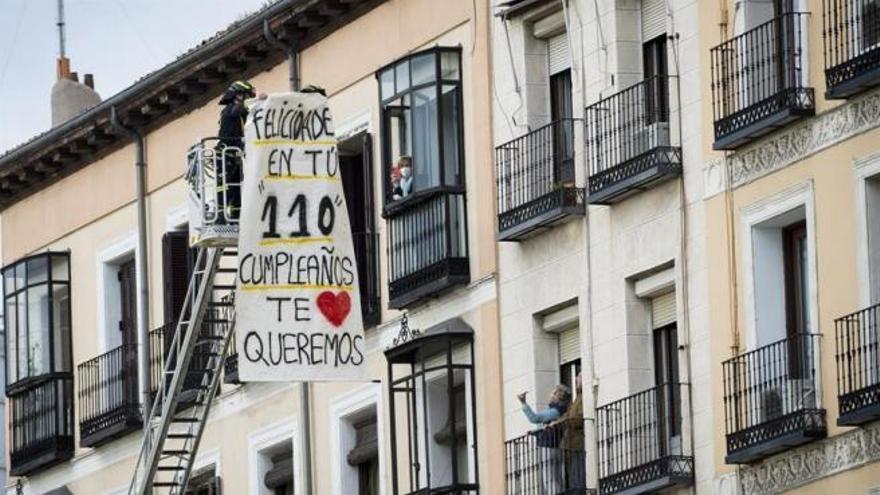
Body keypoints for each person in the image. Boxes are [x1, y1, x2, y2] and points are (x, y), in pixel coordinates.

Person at [216, 80, 263, 223]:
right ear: (239, 96)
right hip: (225, 156)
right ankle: (220, 217)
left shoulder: (243, 114)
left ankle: (237, 216)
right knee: (225, 187)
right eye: (247, 96)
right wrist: (258, 101)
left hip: (236, 156)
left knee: (237, 189)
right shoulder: (230, 110)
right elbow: (239, 110)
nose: (249, 99)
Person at [518, 385, 571, 494]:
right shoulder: (563, 411)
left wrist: (523, 402)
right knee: (557, 477)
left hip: (548, 447)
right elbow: (549, 427)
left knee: (549, 478)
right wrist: (536, 433)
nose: (550, 395)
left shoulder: (554, 411)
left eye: (553, 393)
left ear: (557, 397)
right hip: (557, 446)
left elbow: (534, 418)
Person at [553, 373, 585, 492]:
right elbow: (568, 415)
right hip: (570, 444)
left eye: (579, 377)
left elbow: (578, 418)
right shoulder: (578, 398)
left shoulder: (584, 397)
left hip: (577, 442)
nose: (576, 379)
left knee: (577, 475)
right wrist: (557, 423)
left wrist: (563, 422)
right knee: (573, 474)